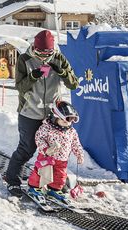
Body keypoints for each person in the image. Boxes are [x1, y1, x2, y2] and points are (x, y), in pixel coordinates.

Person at [5, 29, 78, 196]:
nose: (44, 57)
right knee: (27, 148)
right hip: (30, 111)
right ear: (34, 48)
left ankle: (54, 182)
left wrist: (61, 72)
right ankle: (12, 180)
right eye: (40, 53)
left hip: (54, 115)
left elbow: (73, 84)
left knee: (56, 150)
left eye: (48, 53)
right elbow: (20, 87)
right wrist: (34, 75)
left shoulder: (59, 59)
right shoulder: (25, 59)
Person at [26, 97, 84, 204]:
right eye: (64, 120)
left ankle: (54, 190)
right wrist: (45, 149)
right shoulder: (47, 128)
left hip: (62, 159)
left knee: (60, 176)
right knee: (41, 173)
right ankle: (34, 187)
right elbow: (39, 138)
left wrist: (79, 154)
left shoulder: (71, 131)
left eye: (70, 121)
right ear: (55, 118)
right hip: (47, 156)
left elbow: (76, 144)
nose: (67, 123)